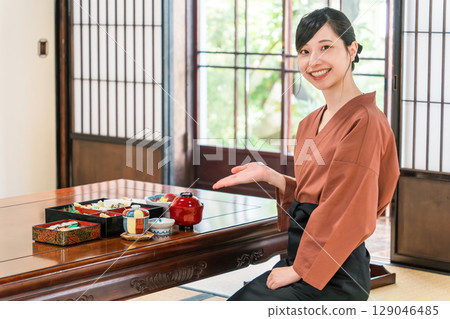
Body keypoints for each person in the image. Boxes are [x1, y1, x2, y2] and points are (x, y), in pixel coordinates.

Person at [212, 7, 400, 301]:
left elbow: (348, 207)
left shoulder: (365, 121)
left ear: (352, 50)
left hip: (333, 272)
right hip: (300, 257)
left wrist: (299, 269)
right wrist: (273, 177)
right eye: (304, 50)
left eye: (326, 47)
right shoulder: (309, 122)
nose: (314, 61)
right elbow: (320, 195)